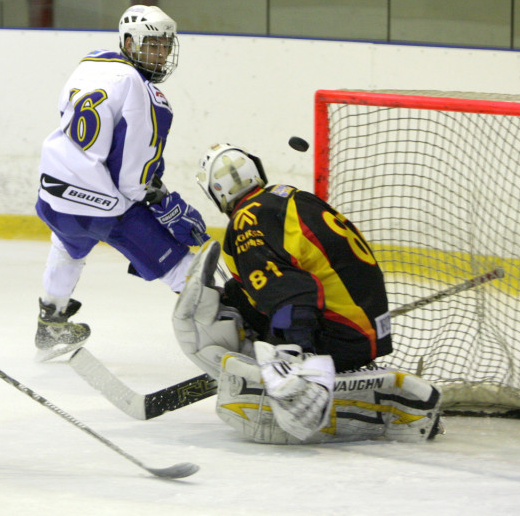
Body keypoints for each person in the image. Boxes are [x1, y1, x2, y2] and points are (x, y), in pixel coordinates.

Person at [172, 143, 442, 444]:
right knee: (237, 293)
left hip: (340, 333)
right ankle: (292, 354)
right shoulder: (283, 198)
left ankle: (309, 374)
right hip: (360, 324)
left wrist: (298, 358)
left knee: (214, 314)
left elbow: (292, 291)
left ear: (217, 193)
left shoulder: (246, 222)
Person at [34, 4, 208, 361]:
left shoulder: (91, 63)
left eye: (164, 46)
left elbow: (66, 114)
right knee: (179, 267)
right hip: (102, 209)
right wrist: (160, 201)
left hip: (52, 193)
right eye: (152, 45)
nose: (160, 55)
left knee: (67, 247)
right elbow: (132, 182)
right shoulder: (146, 93)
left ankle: (50, 325)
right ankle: (233, 340)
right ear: (129, 42)